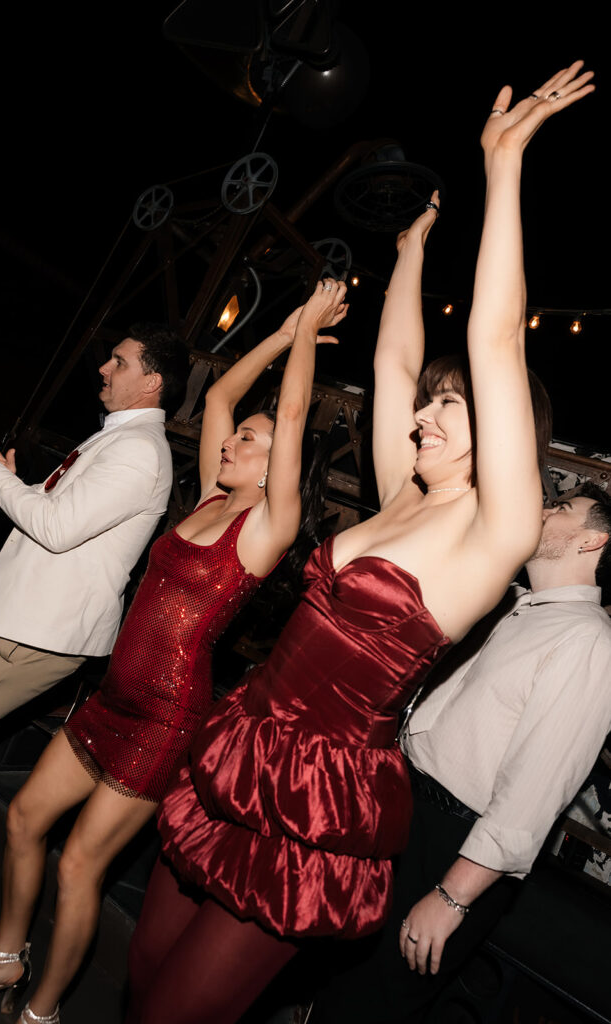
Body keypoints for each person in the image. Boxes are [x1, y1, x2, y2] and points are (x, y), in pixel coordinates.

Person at [124, 62, 595, 1024]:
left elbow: (498, 341)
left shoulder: (493, 536)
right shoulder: (398, 497)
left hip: (316, 800)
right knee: (142, 978)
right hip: (243, 742)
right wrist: (412, 249)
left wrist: (504, 166)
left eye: (449, 408)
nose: (423, 416)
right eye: (428, 405)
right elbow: (392, 357)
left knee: (178, 1012)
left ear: (504, 432)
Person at [0, 280, 348, 1024]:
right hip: (112, 697)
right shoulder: (210, 500)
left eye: (248, 441)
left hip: (165, 716)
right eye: (234, 436)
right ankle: (4, 958)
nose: (230, 441)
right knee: (25, 819)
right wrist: (285, 333)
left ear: (276, 465)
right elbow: (219, 392)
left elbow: (291, 416)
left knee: (78, 866)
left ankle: (43, 1010)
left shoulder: (266, 529)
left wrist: (306, 347)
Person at [310, 483, 611, 1022]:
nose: (543, 510)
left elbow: (533, 794)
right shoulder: (512, 600)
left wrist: (452, 897)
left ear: (593, 541)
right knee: (330, 981)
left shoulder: (589, 641)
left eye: (562, 508)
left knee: (368, 1005)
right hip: (397, 806)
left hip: (449, 845)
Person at [0, 323, 188, 937]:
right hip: (20, 622)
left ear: (152, 380)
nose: (103, 368)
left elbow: (56, 529)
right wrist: (5, 479)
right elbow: (61, 520)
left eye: (119, 361)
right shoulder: (120, 439)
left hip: (35, 634)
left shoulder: (138, 450)